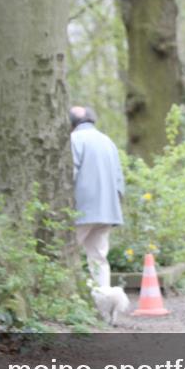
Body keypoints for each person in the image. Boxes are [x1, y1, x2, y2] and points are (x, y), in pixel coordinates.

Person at [69, 106, 125, 289]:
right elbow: (119, 179)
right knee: (98, 257)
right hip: (107, 210)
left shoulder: (75, 139)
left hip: (82, 209)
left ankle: (73, 295)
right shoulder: (107, 141)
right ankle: (104, 297)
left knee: (67, 253)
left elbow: (71, 173)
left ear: (71, 123)